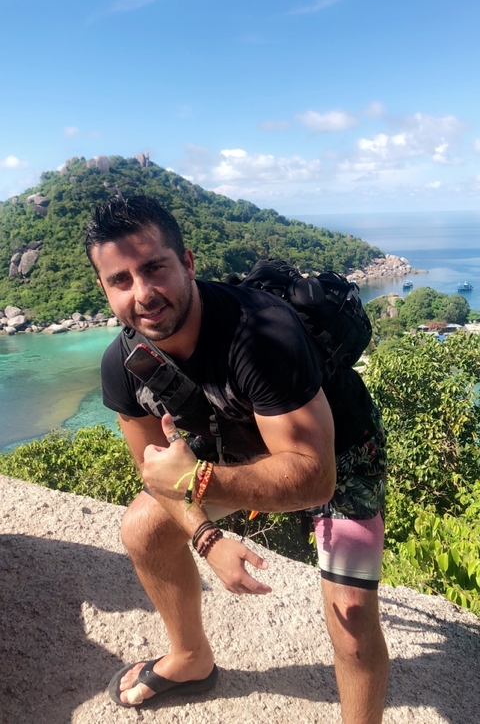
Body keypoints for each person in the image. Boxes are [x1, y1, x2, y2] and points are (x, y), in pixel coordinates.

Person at [85, 194, 389, 723]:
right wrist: (205, 536)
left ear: (187, 263)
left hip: (335, 453)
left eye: (155, 268)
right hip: (231, 447)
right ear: (104, 288)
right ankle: (190, 659)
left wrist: (198, 480)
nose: (143, 294)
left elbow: (315, 478)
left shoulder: (260, 333)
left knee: (353, 621)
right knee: (142, 530)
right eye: (121, 280)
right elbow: (155, 473)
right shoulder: (125, 364)